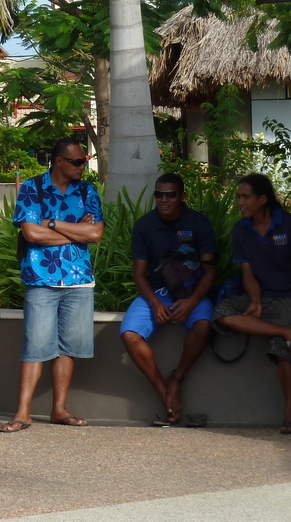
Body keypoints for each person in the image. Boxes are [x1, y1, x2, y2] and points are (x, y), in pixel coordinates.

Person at [0, 136, 104, 433]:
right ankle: (23, 413)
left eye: (84, 161)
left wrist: (54, 224)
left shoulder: (87, 191)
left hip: (79, 281)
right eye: (77, 161)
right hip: (41, 279)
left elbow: (95, 234)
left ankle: (59, 409)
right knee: (35, 347)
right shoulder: (32, 188)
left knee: (67, 348)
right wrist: (76, 232)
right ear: (59, 161)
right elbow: (32, 234)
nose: (83, 166)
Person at [213, 173, 291, 434]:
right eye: (238, 197)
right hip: (263, 297)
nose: (240, 203)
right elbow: (248, 273)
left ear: (263, 198)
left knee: (286, 348)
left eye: (246, 197)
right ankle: (286, 330)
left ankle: (290, 414)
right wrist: (256, 301)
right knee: (222, 312)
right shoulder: (241, 230)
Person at [119, 173, 216, 426]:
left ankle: (176, 379)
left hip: (190, 292)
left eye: (170, 194)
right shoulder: (144, 225)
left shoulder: (199, 224)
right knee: (129, 334)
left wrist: (193, 301)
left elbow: (210, 271)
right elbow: (139, 274)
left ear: (182, 196)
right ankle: (164, 392)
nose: (163, 200)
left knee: (203, 325)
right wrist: (154, 303)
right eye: (158, 194)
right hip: (157, 292)